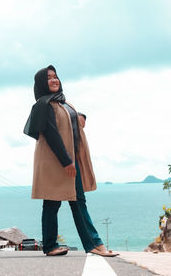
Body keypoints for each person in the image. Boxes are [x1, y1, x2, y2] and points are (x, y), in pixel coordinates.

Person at [24, 65, 118, 257]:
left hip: (68, 160)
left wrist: (81, 116)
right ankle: (91, 244)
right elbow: (51, 134)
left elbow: (68, 119)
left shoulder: (62, 103)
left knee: (66, 202)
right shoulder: (44, 104)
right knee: (63, 202)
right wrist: (67, 161)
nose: (54, 80)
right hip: (57, 162)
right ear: (42, 83)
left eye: (56, 77)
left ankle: (53, 246)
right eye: (49, 78)